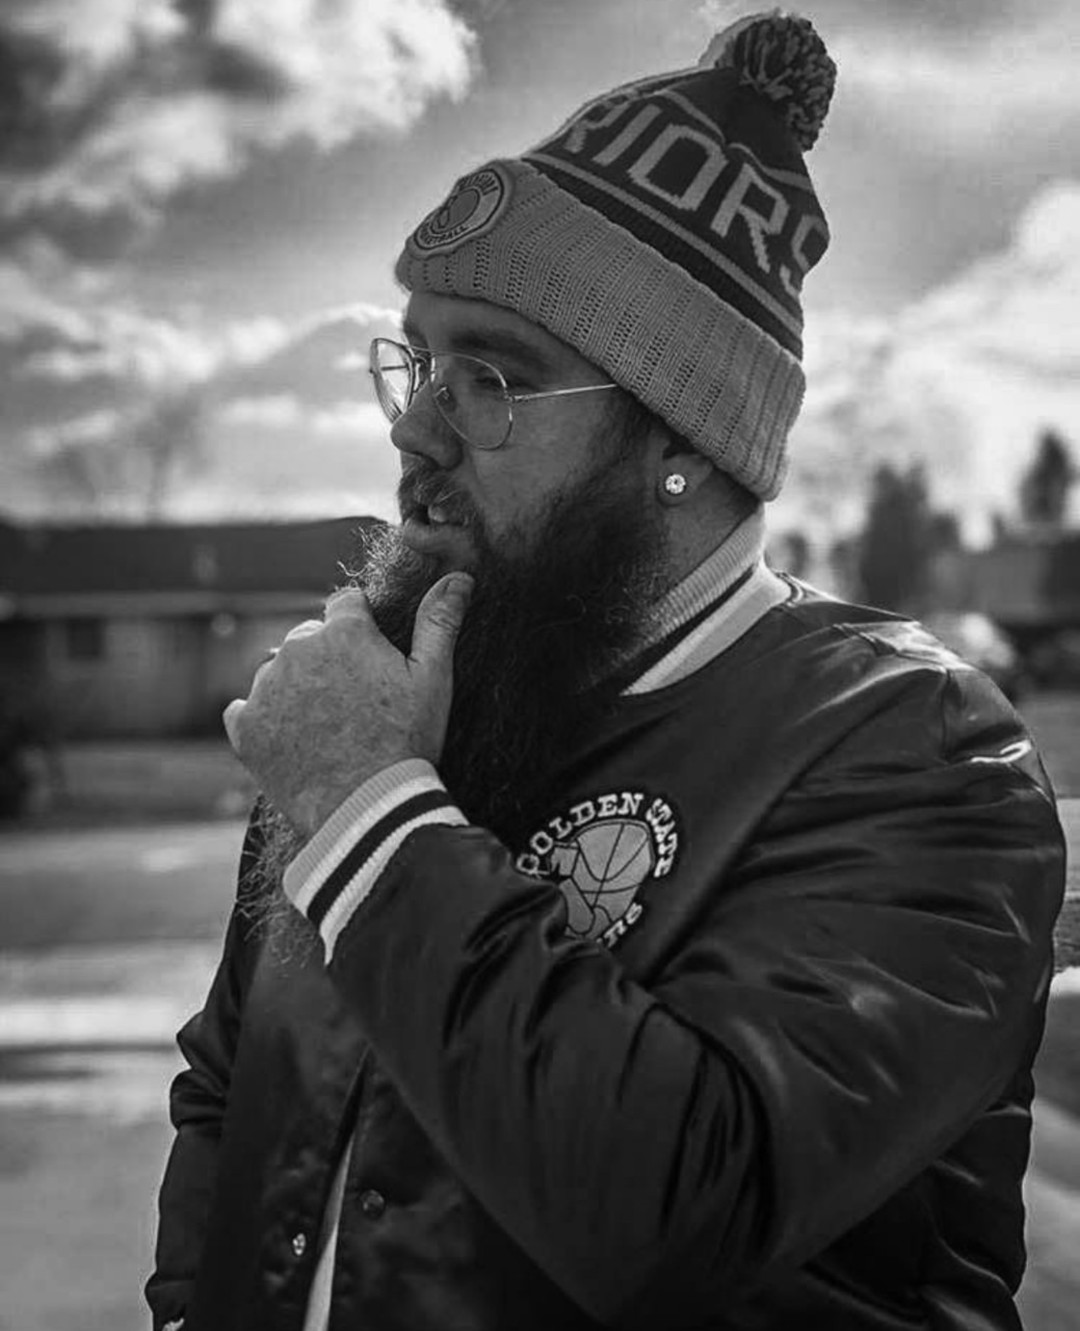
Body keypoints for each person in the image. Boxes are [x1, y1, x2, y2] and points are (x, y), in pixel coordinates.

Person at [146, 13, 1066, 1330]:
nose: (415, 429)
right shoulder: (399, 694)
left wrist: (370, 817)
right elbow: (232, 1089)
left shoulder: (912, 752)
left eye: (490, 378)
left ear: (679, 440)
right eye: (418, 361)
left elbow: (687, 1214)